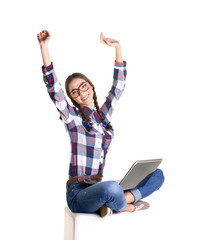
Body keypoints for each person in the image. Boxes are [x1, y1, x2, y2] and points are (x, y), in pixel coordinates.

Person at [37, 30, 165, 217]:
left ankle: (121, 200)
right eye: (74, 92)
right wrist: (44, 47)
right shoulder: (72, 118)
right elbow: (54, 90)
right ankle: (127, 205)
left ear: (90, 86)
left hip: (98, 188)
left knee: (157, 174)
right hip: (79, 194)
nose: (81, 93)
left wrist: (117, 48)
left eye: (83, 86)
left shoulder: (102, 118)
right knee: (112, 188)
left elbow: (118, 88)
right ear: (72, 98)